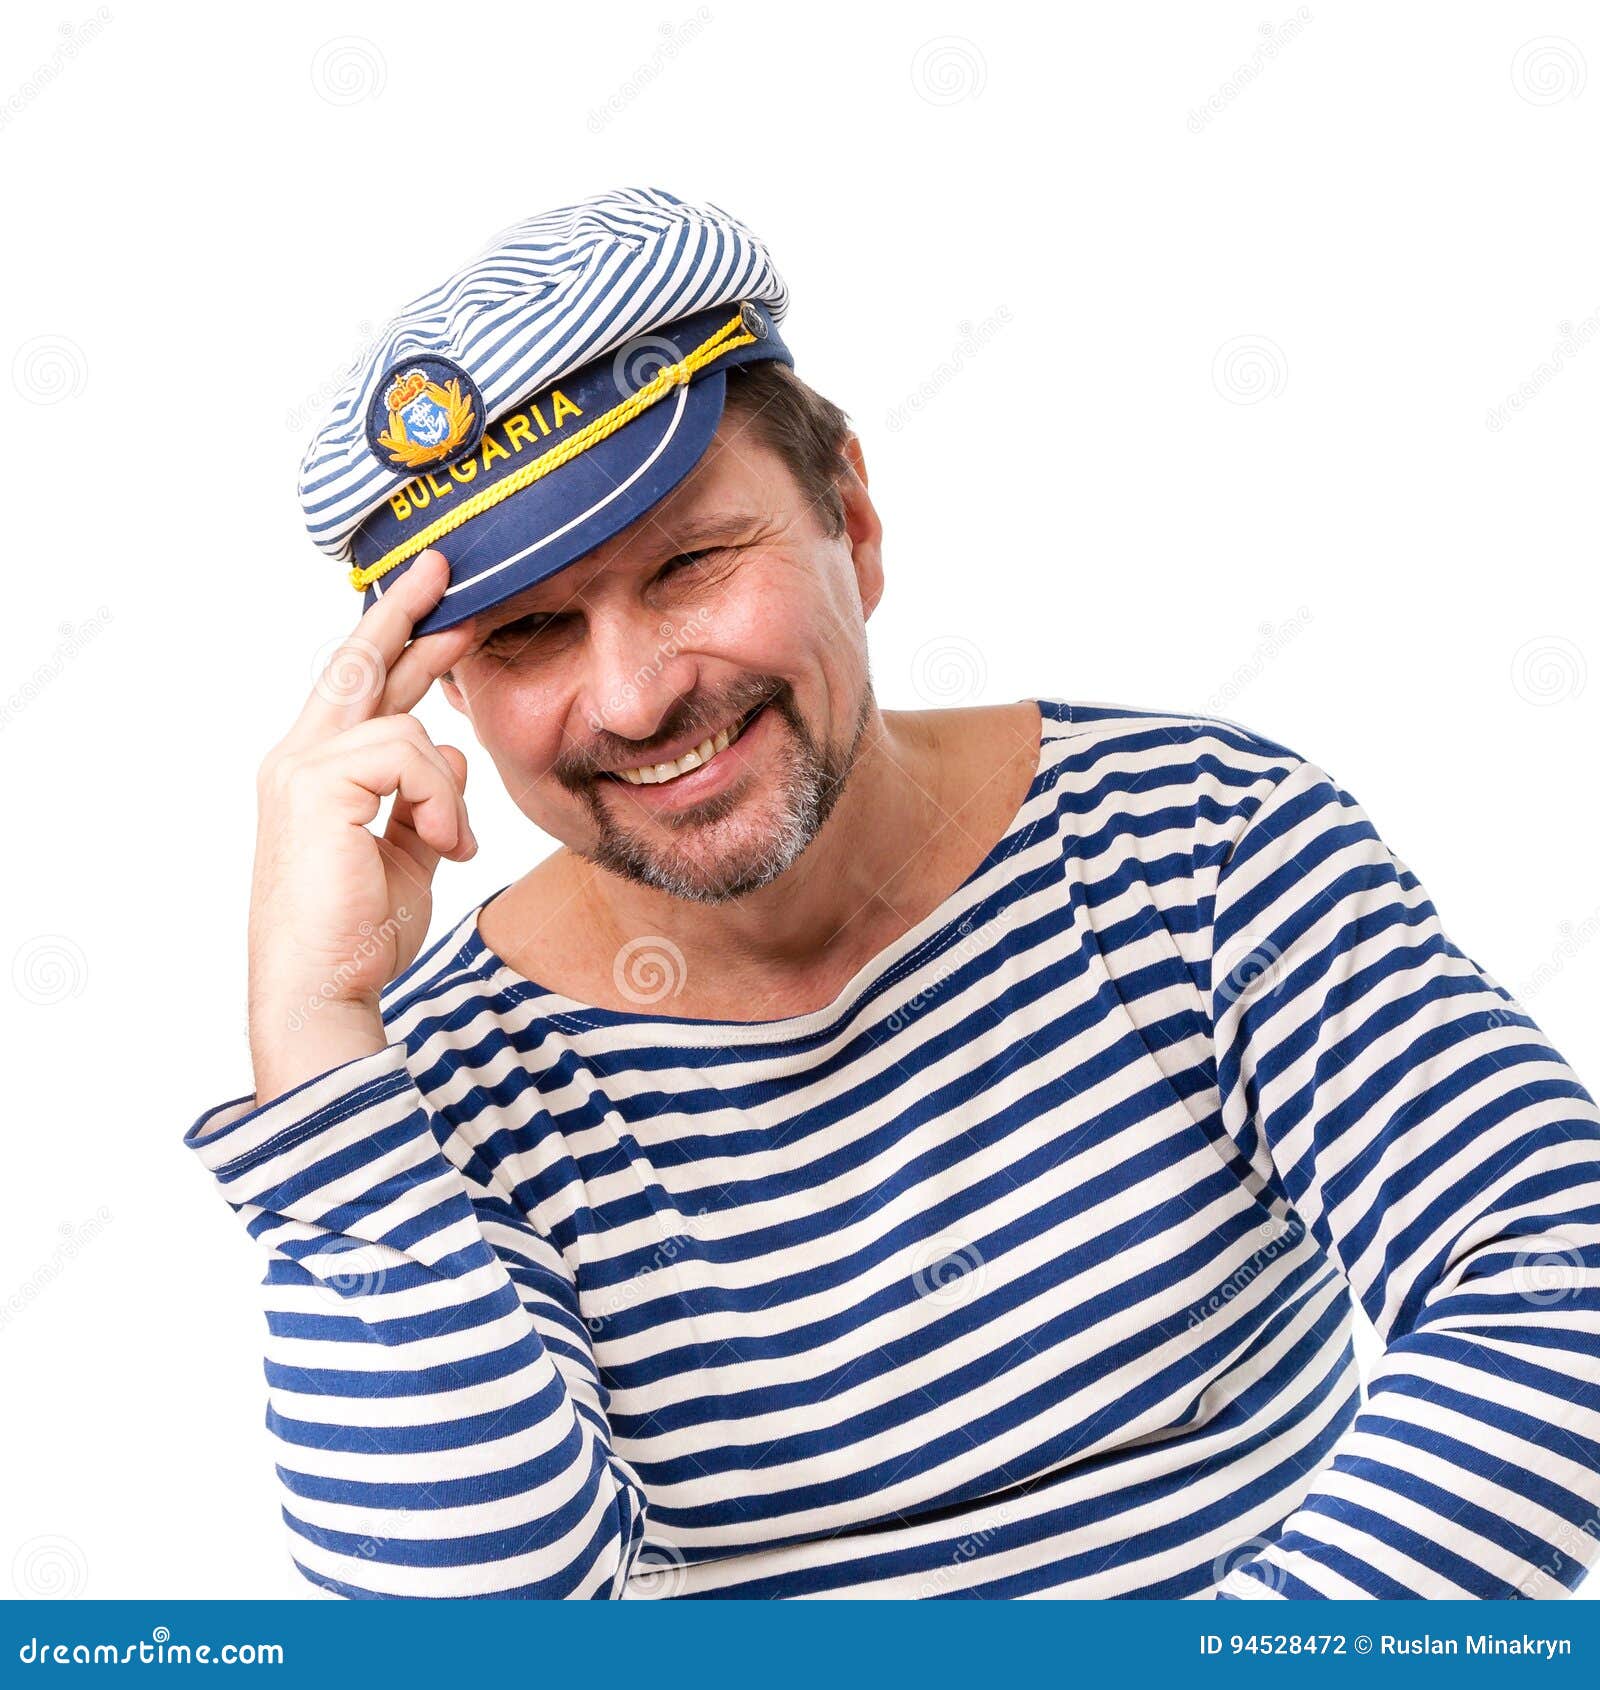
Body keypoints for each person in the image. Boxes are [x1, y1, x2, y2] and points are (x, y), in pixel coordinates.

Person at [187, 187, 1600, 1599]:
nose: (632, 698)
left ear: (852, 520)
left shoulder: (1201, 843)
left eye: (688, 564)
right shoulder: (427, 1097)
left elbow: (1553, 1280)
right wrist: (315, 1031)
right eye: (531, 632)